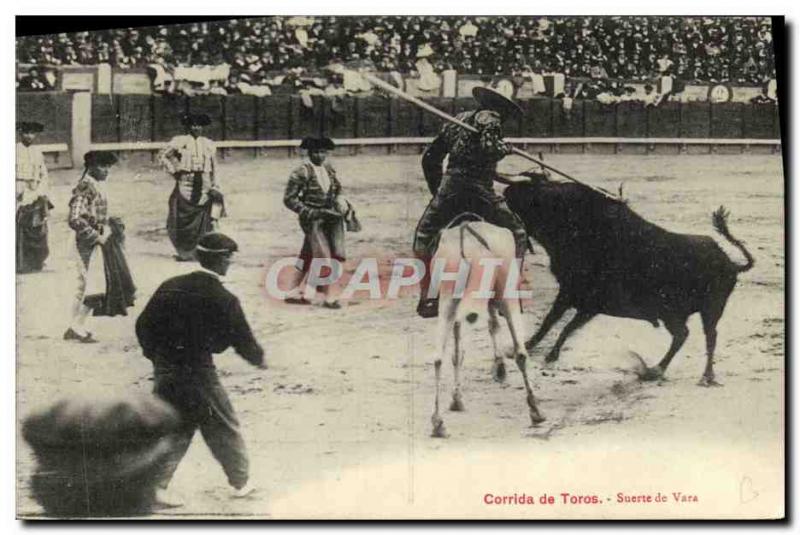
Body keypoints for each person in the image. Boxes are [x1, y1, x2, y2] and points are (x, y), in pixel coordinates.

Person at [135, 232, 266, 506]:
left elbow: (143, 324)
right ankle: (241, 483)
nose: (230, 262)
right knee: (222, 424)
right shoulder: (223, 297)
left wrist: (157, 358)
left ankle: (155, 485)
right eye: (229, 258)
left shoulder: (170, 285)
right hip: (199, 372)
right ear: (223, 260)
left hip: (166, 370)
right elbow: (241, 339)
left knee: (175, 426)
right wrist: (259, 360)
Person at [413, 86, 528, 318]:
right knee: (517, 232)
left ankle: (428, 296)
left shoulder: (459, 119)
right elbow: (488, 149)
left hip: (451, 189)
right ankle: (509, 294)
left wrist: (438, 191)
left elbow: (430, 158)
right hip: (479, 193)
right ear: (501, 109)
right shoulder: (492, 118)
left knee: (424, 235)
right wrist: (504, 148)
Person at [283, 136, 358, 309]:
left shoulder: (329, 169)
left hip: (331, 217)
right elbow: (289, 199)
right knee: (324, 256)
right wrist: (309, 212)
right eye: (316, 152)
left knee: (308, 254)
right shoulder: (301, 172)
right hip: (313, 220)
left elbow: (338, 189)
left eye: (323, 152)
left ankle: (292, 291)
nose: (320, 155)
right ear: (309, 153)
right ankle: (329, 297)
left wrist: (341, 200)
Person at [64, 151, 120, 343]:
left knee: (84, 285)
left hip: (94, 241)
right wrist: (96, 236)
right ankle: (76, 326)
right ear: (92, 167)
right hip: (85, 243)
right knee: (92, 285)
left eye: (108, 167)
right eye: (103, 166)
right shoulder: (86, 186)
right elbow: (74, 219)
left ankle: (75, 326)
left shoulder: (96, 185)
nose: (106, 171)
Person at [158, 113, 225, 261]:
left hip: (205, 181)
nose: (196, 127)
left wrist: (216, 184)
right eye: (193, 125)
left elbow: (215, 166)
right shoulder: (180, 141)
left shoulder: (209, 144)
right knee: (181, 214)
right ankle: (185, 251)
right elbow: (162, 156)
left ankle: (205, 247)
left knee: (215, 204)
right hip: (186, 182)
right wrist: (174, 171)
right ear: (188, 127)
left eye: (199, 125)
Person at [16, 121, 53, 273]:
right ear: (20, 133)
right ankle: (18, 262)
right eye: (26, 132)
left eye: (32, 133)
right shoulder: (13, 149)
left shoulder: (38, 152)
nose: (30, 136)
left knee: (37, 225)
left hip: (34, 191)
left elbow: (44, 174)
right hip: (17, 190)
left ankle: (36, 261)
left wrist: (41, 190)